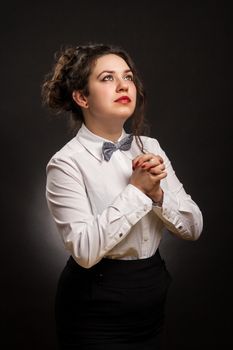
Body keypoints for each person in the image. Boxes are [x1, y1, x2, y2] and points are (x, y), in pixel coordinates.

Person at [41, 43, 203, 350]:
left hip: (151, 295)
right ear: (81, 97)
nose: (122, 85)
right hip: (94, 308)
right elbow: (85, 251)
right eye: (106, 78)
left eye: (127, 76)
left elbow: (194, 228)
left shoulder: (151, 147)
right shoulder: (65, 163)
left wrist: (157, 195)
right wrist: (138, 191)